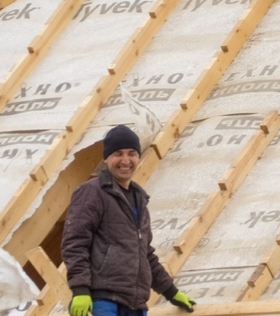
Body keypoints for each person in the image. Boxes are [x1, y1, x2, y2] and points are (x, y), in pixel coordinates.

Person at [62, 124, 197, 316]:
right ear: (106, 158)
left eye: (131, 153)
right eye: (118, 153)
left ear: (138, 158)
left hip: (136, 304)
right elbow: (74, 243)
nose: (125, 160)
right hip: (104, 302)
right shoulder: (92, 192)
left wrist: (171, 292)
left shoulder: (139, 200)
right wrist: (80, 289)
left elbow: (145, 255)